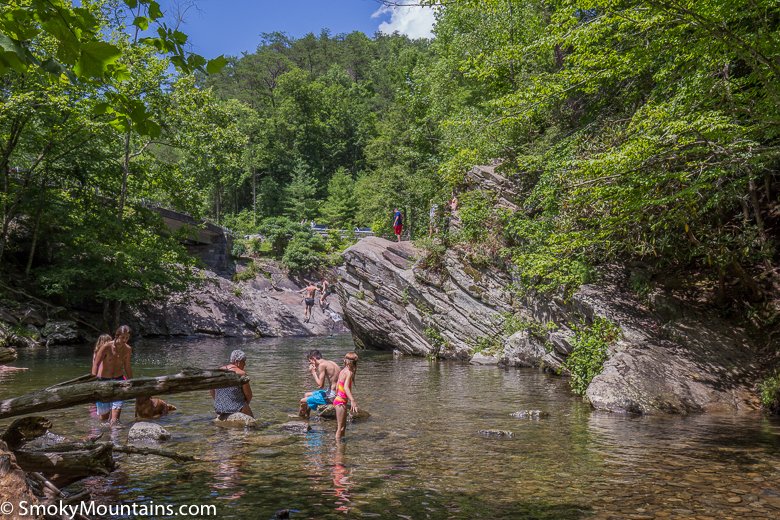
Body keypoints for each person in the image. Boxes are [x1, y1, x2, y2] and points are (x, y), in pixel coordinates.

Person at [91, 325, 133, 424]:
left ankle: (115, 438)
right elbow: (96, 364)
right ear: (117, 336)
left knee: (115, 416)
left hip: (119, 381)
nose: (125, 340)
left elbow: (127, 367)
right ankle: (105, 438)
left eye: (127, 338)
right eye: (123, 337)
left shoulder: (128, 349)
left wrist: (131, 381)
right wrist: (93, 381)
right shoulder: (106, 347)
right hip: (103, 381)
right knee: (104, 417)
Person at [211, 349, 254, 418]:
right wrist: (245, 405)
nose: (245, 364)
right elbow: (249, 395)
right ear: (237, 362)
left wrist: (220, 402)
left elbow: (211, 390)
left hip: (219, 409)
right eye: (244, 361)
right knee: (254, 425)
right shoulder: (241, 374)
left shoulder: (218, 371)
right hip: (236, 408)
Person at [299, 349, 341, 418]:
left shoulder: (322, 365)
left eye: (310, 362)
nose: (311, 365)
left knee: (302, 401)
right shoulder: (330, 362)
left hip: (331, 396)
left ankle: (301, 418)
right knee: (306, 394)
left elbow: (320, 385)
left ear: (313, 359)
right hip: (336, 393)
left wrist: (313, 372)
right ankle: (307, 416)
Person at [334, 352, 358, 442]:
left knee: (342, 428)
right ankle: (338, 450)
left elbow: (337, 387)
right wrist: (352, 400)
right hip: (340, 402)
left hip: (339, 400)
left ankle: (341, 448)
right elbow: (346, 387)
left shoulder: (343, 370)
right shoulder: (349, 372)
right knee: (340, 428)